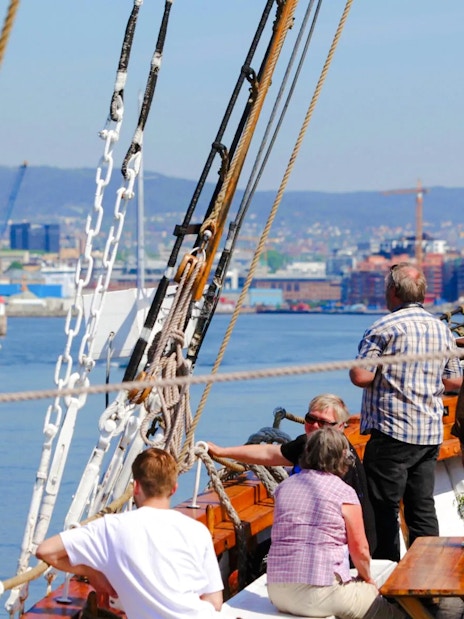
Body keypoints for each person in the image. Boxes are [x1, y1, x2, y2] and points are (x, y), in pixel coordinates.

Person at [349, 262, 462, 562]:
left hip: (392, 434)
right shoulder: (440, 330)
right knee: (421, 507)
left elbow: (362, 376)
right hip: (428, 434)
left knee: (381, 508)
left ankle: (386, 575)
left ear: (395, 291)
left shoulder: (383, 327)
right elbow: (453, 380)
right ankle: (430, 574)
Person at [36, 448, 223, 619]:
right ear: (174, 489)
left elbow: (46, 551)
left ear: (135, 487)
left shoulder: (110, 528)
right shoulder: (198, 531)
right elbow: (215, 603)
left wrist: (90, 572)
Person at [208, 393, 377, 554]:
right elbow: (270, 453)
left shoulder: (331, 457)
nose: (315, 426)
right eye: (310, 419)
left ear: (340, 427)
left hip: (343, 544)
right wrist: (222, 452)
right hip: (325, 538)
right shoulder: (310, 444)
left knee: (260, 555)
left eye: (323, 423)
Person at [266, 428, 406, 619]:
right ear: (341, 457)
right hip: (318, 593)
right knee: (391, 613)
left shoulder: (283, 488)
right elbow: (360, 549)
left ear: (306, 453)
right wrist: (366, 580)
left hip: (277, 591)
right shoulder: (344, 492)